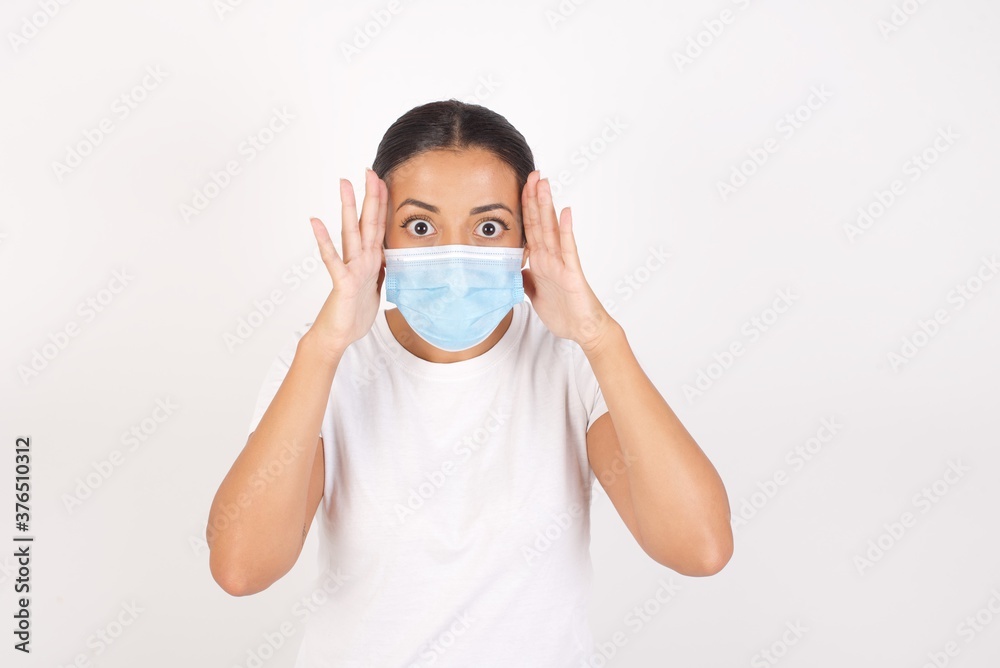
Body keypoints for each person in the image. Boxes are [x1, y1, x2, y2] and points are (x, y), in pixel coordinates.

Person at [206, 99, 733, 667]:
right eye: (420, 226)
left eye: (488, 227)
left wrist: (600, 337)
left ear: (527, 238)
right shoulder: (324, 364)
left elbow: (699, 549)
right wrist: (324, 347)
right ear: (379, 238)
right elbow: (241, 569)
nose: (454, 257)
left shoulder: (573, 359)